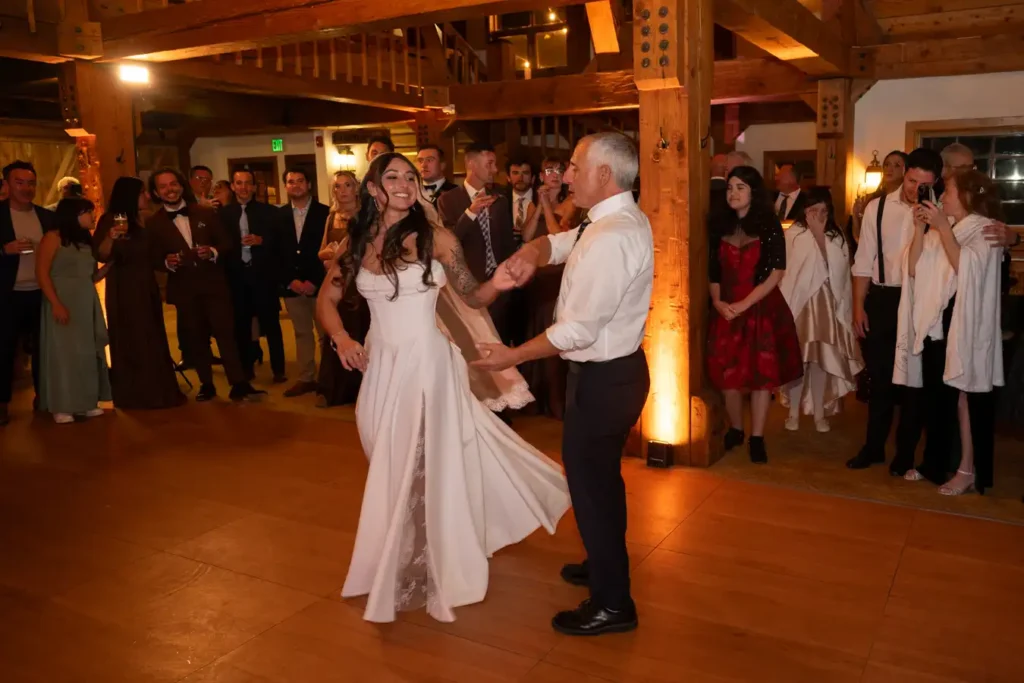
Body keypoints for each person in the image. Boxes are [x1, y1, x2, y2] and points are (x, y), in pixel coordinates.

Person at [318, 152, 569, 624]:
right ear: (374, 189)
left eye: (409, 177)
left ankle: (424, 562)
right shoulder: (356, 242)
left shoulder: (436, 237)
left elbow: (473, 295)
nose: (403, 183)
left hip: (429, 364)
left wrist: (500, 281)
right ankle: (427, 541)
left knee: (420, 462)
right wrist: (342, 337)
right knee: (384, 456)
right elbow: (327, 300)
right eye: (391, 176)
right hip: (381, 366)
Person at [473, 132, 654, 637]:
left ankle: (614, 604)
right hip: (607, 376)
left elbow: (578, 330)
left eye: (574, 166)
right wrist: (532, 251)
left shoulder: (615, 235)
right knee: (598, 481)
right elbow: (561, 242)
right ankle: (602, 566)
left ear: (603, 175)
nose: (565, 175)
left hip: (605, 379)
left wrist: (513, 355)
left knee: (591, 488)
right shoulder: (606, 221)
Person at [895, 170, 1004, 495]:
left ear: (968, 195)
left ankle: (968, 469)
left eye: (949, 191)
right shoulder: (942, 229)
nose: (941, 197)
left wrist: (942, 227)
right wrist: (920, 228)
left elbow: (967, 269)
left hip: (967, 326)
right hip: (937, 326)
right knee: (938, 403)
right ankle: (936, 463)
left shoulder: (985, 228)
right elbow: (913, 268)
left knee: (965, 401)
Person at [848, 148, 943, 473]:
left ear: (935, 183)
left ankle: (905, 454)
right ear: (904, 174)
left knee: (914, 383)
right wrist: (858, 306)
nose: (914, 187)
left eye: (922, 183)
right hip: (884, 299)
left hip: (921, 301)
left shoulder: (942, 214)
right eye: (911, 179)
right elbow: (863, 263)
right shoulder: (878, 207)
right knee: (880, 379)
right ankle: (873, 447)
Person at [707, 165, 802, 463]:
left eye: (741, 188)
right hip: (727, 308)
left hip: (760, 306)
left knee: (762, 376)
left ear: (753, 192)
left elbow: (777, 272)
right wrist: (718, 302)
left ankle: (757, 436)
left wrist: (745, 304)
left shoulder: (769, 224)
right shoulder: (719, 224)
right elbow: (713, 270)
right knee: (728, 374)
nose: (733, 193)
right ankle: (736, 428)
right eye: (730, 188)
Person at [147, 167, 264, 402]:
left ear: (181, 186)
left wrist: (211, 252)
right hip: (184, 288)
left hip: (214, 285)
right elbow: (153, 257)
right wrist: (166, 262)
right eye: (163, 186)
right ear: (156, 193)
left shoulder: (205, 212)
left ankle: (238, 383)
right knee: (196, 337)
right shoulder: (154, 223)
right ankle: (206, 384)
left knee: (226, 334)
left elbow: (226, 243)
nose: (170, 189)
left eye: (173, 184)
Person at [93, 177, 185, 410]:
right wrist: (110, 237)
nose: (146, 196)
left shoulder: (146, 220)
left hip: (146, 284)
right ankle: (135, 394)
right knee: (131, 337)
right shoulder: (111, 220)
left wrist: (167, 260)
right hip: (124, 286)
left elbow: (153, 255)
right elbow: (101, 255)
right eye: (142, 192)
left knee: (152, 336)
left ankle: (158, 391)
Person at [779, 187, 863, 432]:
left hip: (827, 304)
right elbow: (789, 271)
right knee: (798, 360)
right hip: (800, 306)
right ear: (804, 209)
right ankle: (793, 411)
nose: (818, 215)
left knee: (820, 360)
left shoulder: (835, 236)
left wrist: (819, 236)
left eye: (823, 211)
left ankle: (818, 412)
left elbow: (838, 269)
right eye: (813, 210)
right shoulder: (793, 233)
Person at [36, 198, 112, 423]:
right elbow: (42, 273)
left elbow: (92, 277)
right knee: (63, 353)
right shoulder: (53, 238)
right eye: (88, 212)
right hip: (62, 298)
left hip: (85, 299)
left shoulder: (85, 242)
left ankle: (86, 401)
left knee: (86, 352)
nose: (92, 216)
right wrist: (56, 303)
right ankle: (62, 404)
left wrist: (109, 265)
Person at [1, 160, 55, 426]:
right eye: (19, 182)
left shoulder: (46, 217)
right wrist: (4, 250)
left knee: (45, 348)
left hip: (41, 292)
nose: (26, 188)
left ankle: (43, 397)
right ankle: (1, 404)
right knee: (3, 350)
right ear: (7, 184)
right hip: (7, 295)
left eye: (31, 183)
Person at [221, 168, 287, 384]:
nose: (243, 188)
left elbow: (280, 244)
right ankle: (246, 368)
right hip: (237, 277)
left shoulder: (270, 212)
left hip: (263, 277)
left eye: (247, 183)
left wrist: (262, 241)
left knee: (272, 325)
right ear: (232, 186)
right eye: (239, 183)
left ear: (254, 186)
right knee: (240, 325)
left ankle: (279, 369)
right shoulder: (223, 214)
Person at [315, 170, 369, 407]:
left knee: (361, 331)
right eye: (338, 186)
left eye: (348, 185)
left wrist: (337, 254)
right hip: (338, 283)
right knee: (336, 332)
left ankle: (362, 390)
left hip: (361, 283)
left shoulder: (367, 215)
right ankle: (333, 391)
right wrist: (331, 254)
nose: (343, 190)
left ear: (357, 188)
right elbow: (321, 251)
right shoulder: (330, 217)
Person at [278, 167, 330, 398]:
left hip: (319, 285)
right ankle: (306, 377)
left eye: (300, 181)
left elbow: (329, 252)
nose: (296, 185)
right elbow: (274, 252)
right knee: (301, 333)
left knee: (325, 334)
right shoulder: (277, 216)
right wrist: (290, 281)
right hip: (292, 287)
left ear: (309, 184)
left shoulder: (326, 213)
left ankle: (328, 378)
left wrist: (314, 282)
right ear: (286, 186)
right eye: (291, 182)